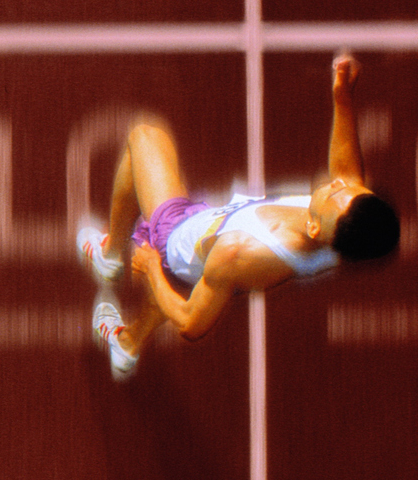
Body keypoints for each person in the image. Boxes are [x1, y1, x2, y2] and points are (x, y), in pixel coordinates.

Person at [77, 51, 399, 380]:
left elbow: (190, 324)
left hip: (177, 238)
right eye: (350, 190)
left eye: (336, 194)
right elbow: (348, 174)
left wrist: (150, 269)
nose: (339, 184)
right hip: (215, 230)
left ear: (315, 229)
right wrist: (342, 97)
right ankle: (128, 344)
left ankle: (111, 255)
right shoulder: (347, 234)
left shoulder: (239, 251)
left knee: (144, 137)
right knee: (188, 288)